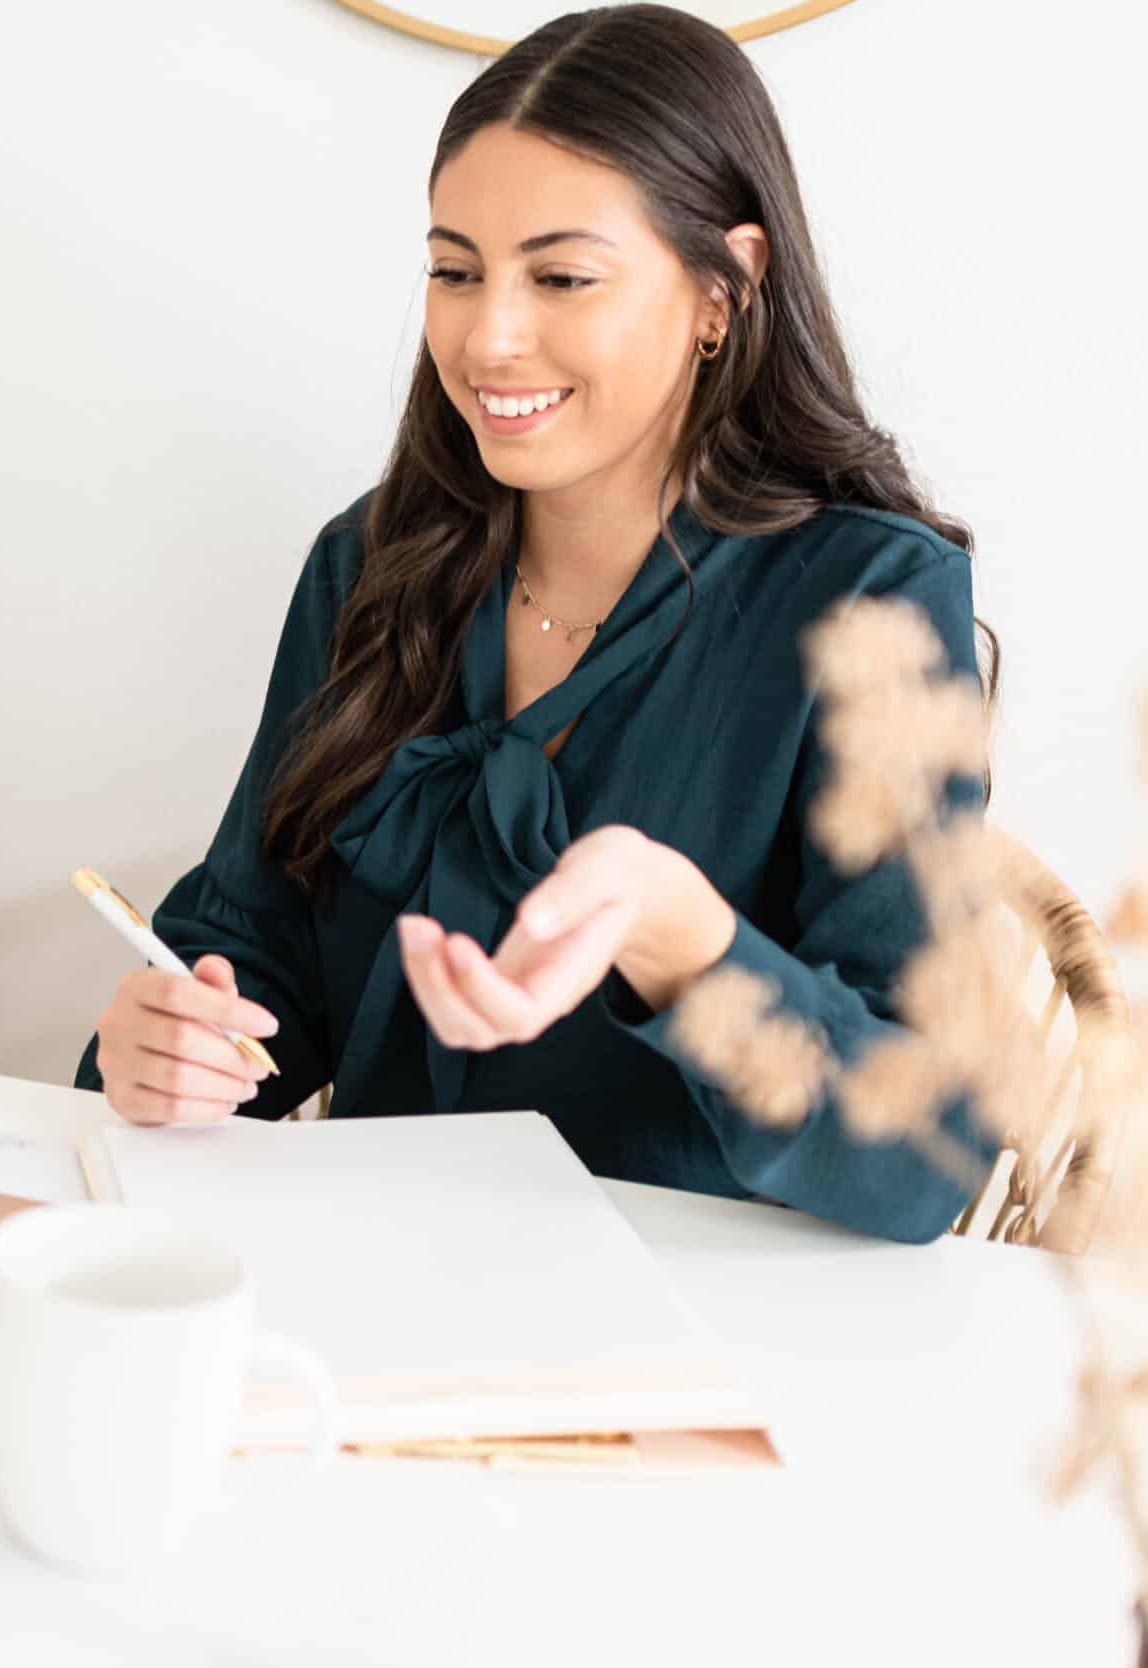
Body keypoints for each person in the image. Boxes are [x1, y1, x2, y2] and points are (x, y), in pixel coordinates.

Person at [79, 3, 994, 1243]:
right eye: (454, 271)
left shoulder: (869, 603)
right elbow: (250, 953)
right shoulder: (368, 564)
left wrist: (688, 945)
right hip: (373, 1296)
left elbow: (923, 1160)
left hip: (707, 1351)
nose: (487, 336)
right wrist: (166, 1048)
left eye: (560, 277)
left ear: (724, 288)